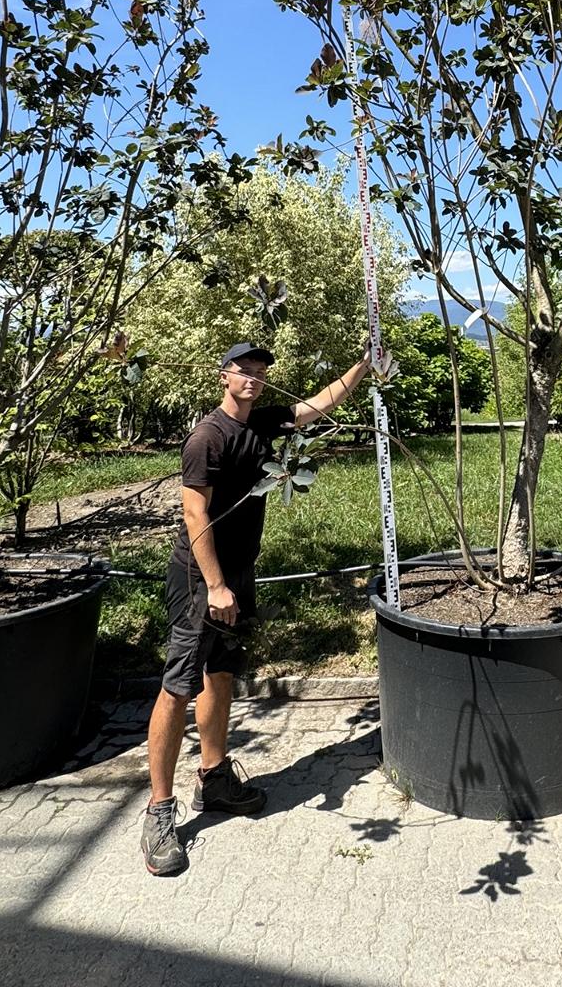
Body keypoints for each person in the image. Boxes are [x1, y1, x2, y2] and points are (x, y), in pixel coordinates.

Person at [141, 340, 371, 876]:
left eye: (261, 371)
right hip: (202, 578)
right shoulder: (208, 437)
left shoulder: (262, 423)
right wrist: (217, 586)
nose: (253, 378)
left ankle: (214, 778)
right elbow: (195, 516)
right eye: (244, 371)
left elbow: (318, 404)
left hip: (236, 578)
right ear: (223, 376)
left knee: (220, 674)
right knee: (179, 685)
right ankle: (158, 812)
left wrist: (362, 363)